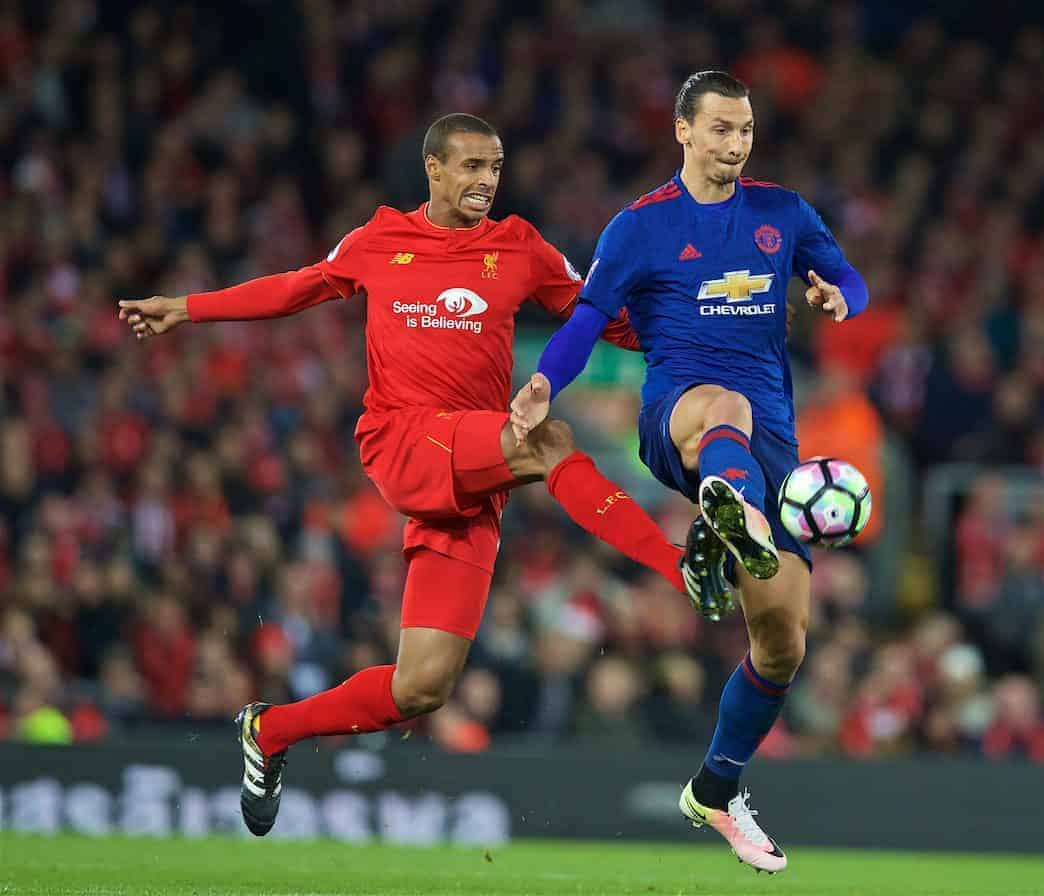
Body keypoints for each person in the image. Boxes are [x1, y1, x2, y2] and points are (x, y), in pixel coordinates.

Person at [117, 113, 719, 837]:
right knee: (550, 438)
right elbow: (294, 287)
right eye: (470, 167)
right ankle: (676, 562)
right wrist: (187, 308)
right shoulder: (379, 240)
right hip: (403, 439)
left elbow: (602, 317)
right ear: (433, 169)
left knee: (422, 687)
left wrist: (707, 318)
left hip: (473, 471)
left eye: (494, 168)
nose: (485, 182)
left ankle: (270, 732)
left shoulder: (520, 247)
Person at [510, 72, 869, 873]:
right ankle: (723, 512)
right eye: (720, 130)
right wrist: (540, 385)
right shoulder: (640, 228)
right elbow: (584, 323)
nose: (736, 145)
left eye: (745, 130)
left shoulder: (783, 213)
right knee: (724, 407)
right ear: (683, 130)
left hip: (770, 447)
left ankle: (715, 787)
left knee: (783, 646)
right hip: (680, 413)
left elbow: (852, 277)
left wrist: (841, 297)